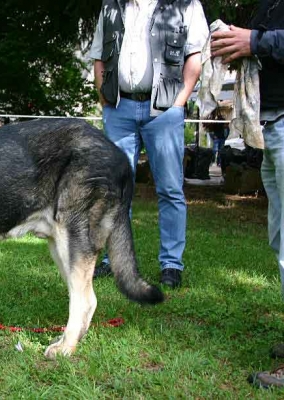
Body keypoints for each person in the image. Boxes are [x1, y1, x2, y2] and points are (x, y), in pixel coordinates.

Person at [90, 0, 209, 288]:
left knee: (170, 189)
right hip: (120, 109)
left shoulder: (186, 4)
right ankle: (114, 260)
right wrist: (105, 102)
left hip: (165, 111)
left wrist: (178, 104)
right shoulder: (111, 6)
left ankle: (171, 264)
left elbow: (195, 57)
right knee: (116, 190)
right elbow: (98, 57)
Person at [211, 0, 284, 389]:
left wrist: (254, 41)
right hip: (271, 127)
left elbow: (265, 43)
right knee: (280, 240)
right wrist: (239, 47)